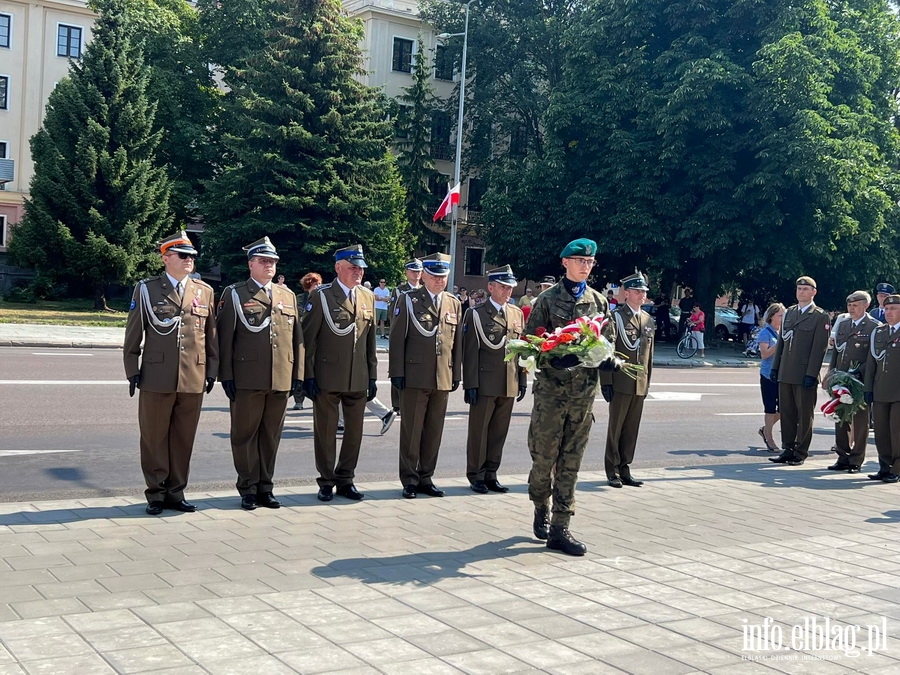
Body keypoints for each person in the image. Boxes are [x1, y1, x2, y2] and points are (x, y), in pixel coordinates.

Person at [526, 239, 619, 556]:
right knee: (543, 463)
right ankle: (541, 503)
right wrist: (553, 358)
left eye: (590, 262)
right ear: (564, 262)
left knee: (571, 465)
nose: (585, 266)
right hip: (552, 397)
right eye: (579, 260)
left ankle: (560, 529)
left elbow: (607, 342)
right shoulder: (547, 301)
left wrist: (608, 362)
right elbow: (530, 345)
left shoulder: (599, 302)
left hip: (582, 397)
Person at [123, 231, 218, 515]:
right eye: (183, 256)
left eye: (192, 256)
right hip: (156, 376)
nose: (189, 260)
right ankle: (155, 493)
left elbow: (210, 335)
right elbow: (133, 333)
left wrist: (211, 370)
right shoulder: (147, 289)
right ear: (166, 258)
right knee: (153, 437)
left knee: (183, 438)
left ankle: (176, 492)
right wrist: (132, 370)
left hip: (193, 377)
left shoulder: (204, 291)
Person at [217, 237, 303, 510]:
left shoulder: (286, 295)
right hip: (247, 378)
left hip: (279, 378)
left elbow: (296, 339)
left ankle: (266, 486)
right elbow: (225, 339)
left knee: (271, 436)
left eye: (273, 261)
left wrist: (297, 375)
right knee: (245, 435)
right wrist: (226, 376)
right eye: (264, 261)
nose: (269, 265)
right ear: (250, 263)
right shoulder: (235, 293)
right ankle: (248, 488)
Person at [302, 244, 378, 502]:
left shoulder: (367, 296)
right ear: (338, 268)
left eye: (360, 268)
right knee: (325, 432)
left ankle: (346, 479)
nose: (358, 272)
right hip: (327, 376)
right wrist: (307, 376)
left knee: (354, 432)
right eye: (353, 267)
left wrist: (373, 375)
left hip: (357, 377)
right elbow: (308, 340)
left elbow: (370, 341)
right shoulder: (321, 296)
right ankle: (326, 481)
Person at [389, 252, 463, 499]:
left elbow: (456, 343)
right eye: (434, 276)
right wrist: (397, 373)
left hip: (441, 376)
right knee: (412, 431)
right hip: (414, 375)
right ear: (425, 276)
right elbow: (397, 339)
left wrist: (455, 373)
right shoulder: (409, 300)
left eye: (443, 276)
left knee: (433, 431)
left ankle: (426, 477)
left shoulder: (453, 303)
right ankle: (409, 479)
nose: (439, 281)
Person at [462, 265, 528, 494]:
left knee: (499, 431)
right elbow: (470, 352)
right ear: (491, 288)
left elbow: (520, 350)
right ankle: (476, 474)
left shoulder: (516, 313)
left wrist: (522, 378)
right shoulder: (476, 314)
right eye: (502, 286)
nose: (508, 291)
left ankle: (491, 473)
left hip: (508, 382)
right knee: (479, 431)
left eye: (510, 287)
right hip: (484, 382)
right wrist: (470, 384)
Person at [769, 276, 830, 466]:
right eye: (799, 288)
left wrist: (812, 374)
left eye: (805, 289)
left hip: (804, 373)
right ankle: (788, 448)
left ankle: (801, 451)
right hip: (786, 371)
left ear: (814, 292)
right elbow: (782, 343)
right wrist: (775, 367)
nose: (801, 292)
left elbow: (819, 348)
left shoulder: (820, 316)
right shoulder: (789, 313)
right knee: (786, 412)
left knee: (804, 415)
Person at [602, 272, 654, 489]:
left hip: (638, 382)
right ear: (626, 293)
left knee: (631, 428)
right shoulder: (615, 318)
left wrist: (647, 381)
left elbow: (649, 355)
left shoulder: (648, 319)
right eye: (637, 291)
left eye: (643, 292)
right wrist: (606, 380)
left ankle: (625, 468)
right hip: (620, 380)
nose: (641, 295)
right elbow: (606, 350)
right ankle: (612, 470)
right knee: (616, 428)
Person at [826, 291, 880, 473]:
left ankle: (856, 459)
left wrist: (859, 372)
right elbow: (837, 352)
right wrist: (830, 373)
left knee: (860, 421)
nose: (851, 308)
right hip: (841, 379)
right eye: (849, 305)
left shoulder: (874, 326)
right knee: (841, 417)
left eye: (855, 305)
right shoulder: (843, 324)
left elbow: (874, 356)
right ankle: (842, 456)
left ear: (865, 306)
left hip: (860, 381)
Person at [864, 295, 900, 483]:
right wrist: (868, 388)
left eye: (893, 309)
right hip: (880, 390)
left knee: (897, 432)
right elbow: (871, 363)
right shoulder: (878, 332)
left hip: (898, 392)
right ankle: (884, 467)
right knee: (882, 432)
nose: (889, 313)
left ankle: (897, 468)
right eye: (886, 309)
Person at [388, 259, 424, 414]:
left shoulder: (424, 290)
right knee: (398, 367)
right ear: (406, 272)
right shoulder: (399, 291)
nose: (416, 274)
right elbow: (393, 314)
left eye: (418, 271)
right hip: (403, 333)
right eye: (413, 271)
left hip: (418, 337)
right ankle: (397, 403)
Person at [292, 273, 322, 411]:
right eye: (315, 284)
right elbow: (299, 314)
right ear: (308, 285)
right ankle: (299, 399)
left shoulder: (322, 297)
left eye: (319, 284)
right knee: (300, 368)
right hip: (301, 336)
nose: (318, 286)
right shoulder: (300, 298)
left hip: (316, 340)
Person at [757, 303, 785, 452]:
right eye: (780, 315)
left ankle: (765, 429)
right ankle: (769, 436)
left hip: (782, 374)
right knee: (770, 408)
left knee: (784, 408)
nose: (782, 318)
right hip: (768, 374)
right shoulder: (765, 333)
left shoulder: (783, 331)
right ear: (772, 316)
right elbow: (765, 354)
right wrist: (780, 343)